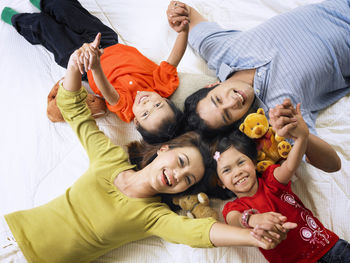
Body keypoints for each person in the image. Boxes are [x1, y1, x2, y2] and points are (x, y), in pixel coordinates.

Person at [0, 32, 297, 263]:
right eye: (182, 162)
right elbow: (74, 110)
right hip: (11, 234)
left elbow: (199, 232)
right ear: (164, 150)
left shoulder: (152, 217)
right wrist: (77, 62)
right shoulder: (110, 160)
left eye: (188, 180)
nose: (179, 176)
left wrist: (252, 237)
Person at [166, 0, 345, 172]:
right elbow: (333, 165)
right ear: (238, 123)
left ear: (212, 85)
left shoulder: (219, 51)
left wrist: (176, 11)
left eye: (218, 99)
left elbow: (187, 15)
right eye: (228, 115)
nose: (232, 102)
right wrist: (301, 135)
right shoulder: (278, 115)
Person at [0, 0, 189, 144]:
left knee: (45, 28)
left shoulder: (126, 109)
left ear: (137, 123)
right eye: (158, 105)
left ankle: (17, 20)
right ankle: (45, 3)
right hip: (107, 42)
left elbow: (106, 89)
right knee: (66, 9)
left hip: (83, 61)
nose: (147, 103)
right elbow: (174, 58)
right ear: (165, 99)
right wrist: (183, 32)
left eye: (145, 114)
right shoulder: (163, 85)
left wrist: (95, 65)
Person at [213, 103, 350, 262]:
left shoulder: (271, 179)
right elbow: (234, 220)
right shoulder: (235, 207)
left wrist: (301, 138)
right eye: (227, 170)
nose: (237, 172)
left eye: (241, 163)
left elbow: (290, 165)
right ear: (220, 182)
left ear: (253, 162)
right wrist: (252, 220)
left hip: (331, 248)